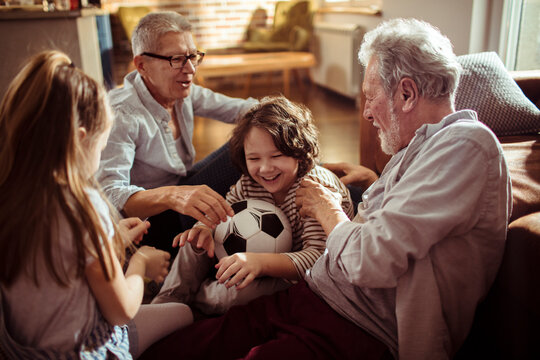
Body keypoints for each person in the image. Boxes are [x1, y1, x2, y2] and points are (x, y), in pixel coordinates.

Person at [139, 18, 512, 360]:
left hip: (357, 326)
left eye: (371, 96)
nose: (366, 112)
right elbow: (403, 221)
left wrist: (327, 207)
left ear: (408, 94)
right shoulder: (418, 150)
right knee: (172, 349)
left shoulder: (466, 144)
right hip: (311, 297)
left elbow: (372, 258)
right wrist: (372, 180)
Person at [0, 50, 192, 359]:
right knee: (185, 314)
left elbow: (57, 265)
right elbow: (121, 311)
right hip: (84, 351)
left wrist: (112, 238)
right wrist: (141, 263)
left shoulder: (11, 195)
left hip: (22, 351)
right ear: (78, 141)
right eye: (101, 147)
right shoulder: (82, 208)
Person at [152, 95, 354, 315]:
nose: (265, 168)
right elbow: (222, 212)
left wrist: (259, 263)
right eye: (254, 159)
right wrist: (203, 228)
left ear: (299, 151)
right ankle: (163, 304)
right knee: (194, 241)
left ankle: (189, 302)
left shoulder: (315, 189)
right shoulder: (250, 181)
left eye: (276, 156)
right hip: (252, 261)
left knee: (232, 296)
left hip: (298, 279)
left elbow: (318, 258)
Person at [97, 11, 258, 258]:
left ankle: (312, 177)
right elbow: (109, 194)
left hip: (179, 195)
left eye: (192, 56)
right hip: (144, 230)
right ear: (141, 65)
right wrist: (173, 195)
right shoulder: (121, 113)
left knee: (255, 130)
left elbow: (246, 109)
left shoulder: (182, 92)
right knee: (242, 151)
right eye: (176, 59)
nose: (190, 68)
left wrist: (306, 154)